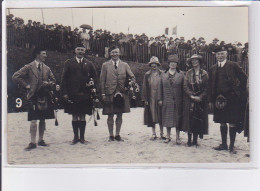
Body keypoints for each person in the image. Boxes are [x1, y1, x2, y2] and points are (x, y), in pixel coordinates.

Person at [12, 47, 56, 151]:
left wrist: (48, 83)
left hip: (44, 96)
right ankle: (32, 142)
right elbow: (15, 76)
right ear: (37, 54)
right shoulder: (29, 67)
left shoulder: (47, 68)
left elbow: (53, 81)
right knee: (33, 120)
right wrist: (26, 85)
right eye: (44, 53)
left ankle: (41, 140)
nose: (46, 55)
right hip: (33, 96)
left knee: (42, 119)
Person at [208, 45, 248, 154]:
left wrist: (238, 92)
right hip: (218, 99)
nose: (220, 56)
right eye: (218, 54)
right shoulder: (213, 68)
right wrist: (211, 100)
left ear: (226, 54)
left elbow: (244, 78)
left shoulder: (233, 65)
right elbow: (211, 85)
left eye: (222, 53)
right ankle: (224, 144)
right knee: (222, 122)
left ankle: (231, 146)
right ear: (215, 56)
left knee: (232, 122)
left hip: (232, 98)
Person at [60, 43, 97, 145]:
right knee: (75, 116)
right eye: (78, 49)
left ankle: (82, 138)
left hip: (85, 94)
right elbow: (64, 79)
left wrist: (91, 82)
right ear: (75, 51)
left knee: (83, 115)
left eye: (82, 50)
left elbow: (94, 76)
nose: (80, 51)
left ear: (85, 51)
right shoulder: (68, 63)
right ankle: (75, 138)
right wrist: (64, 93)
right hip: (73, 93)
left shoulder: (89, 63)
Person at [99, 46, 135, 142]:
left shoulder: (125, 65)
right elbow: (102, 80)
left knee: (119, 114)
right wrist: (103, 93)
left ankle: (118, 135)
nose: (114, 54)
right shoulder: (105, 65)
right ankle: (111, 135)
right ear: (110, 54)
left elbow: (132, 77)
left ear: (119, 53)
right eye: (113, 52)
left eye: (116, 52)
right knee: (110, 115)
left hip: (122, 92)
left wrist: (130, 83)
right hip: (109, 92)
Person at [183, 54, 209, 147]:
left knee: (198, 119)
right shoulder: (188, 73)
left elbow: (207, 88)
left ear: (199, 62)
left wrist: (200, 97)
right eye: (192, 61)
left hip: (201, 100)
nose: (194, 62)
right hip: (190, 99)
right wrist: (191, 96)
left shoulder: (204, 73)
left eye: (196, 60)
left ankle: (195, 140)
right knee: (189, 119)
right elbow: (185, 86)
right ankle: (189, 140)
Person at [158, 54, 184, 144]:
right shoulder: (163, 75)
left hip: (178, 100)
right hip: (167, 99)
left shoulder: (181, 75)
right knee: (167, 118)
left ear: (177, 64)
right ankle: (168, 136)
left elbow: (183, 88)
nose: (173, 64)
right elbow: (160, 88)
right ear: (168, 64)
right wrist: (160, 99)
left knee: (178, 119)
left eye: (175, 63)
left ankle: (177, 137)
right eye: (171, 63)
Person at [142, 56, 165, 140]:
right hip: (151, 97)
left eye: (155, 64)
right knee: (152, 115)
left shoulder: (162, 74)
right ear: (150, 65)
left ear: (158, 65)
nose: (154, 66)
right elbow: (144, 87)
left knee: (161, 115)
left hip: (160, 97)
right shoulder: (147, 75)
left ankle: (162, 133)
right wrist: (145, 99)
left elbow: (164, 86)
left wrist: (163, 97)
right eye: (152, 64)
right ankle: (154, 133)